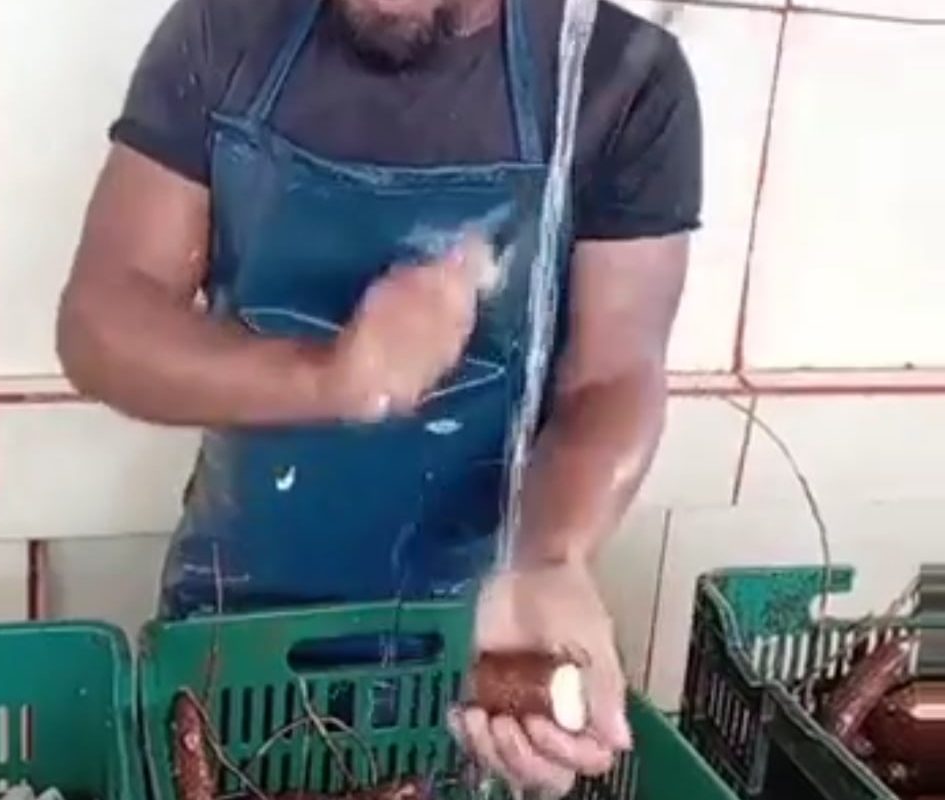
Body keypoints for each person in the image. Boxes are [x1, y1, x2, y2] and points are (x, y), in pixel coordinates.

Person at [57, 0, 701, 794]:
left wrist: (550, 557)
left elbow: (613, 374)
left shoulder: (619, 78)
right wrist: (328, 377)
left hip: (477, 639)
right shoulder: (224, 29)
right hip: (238, 620)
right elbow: (101, 320)